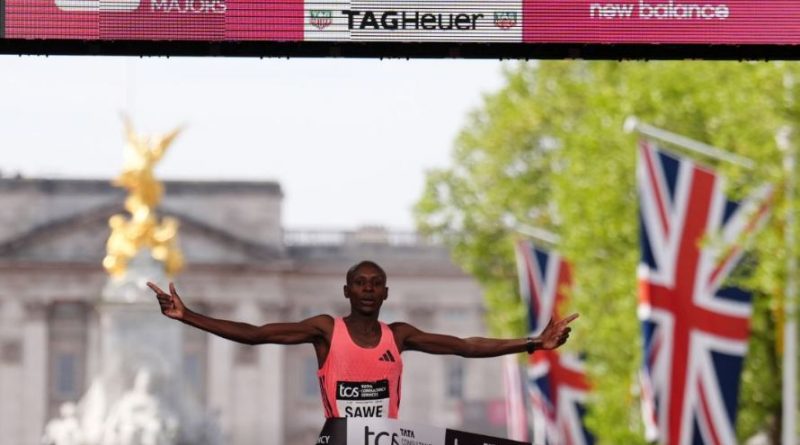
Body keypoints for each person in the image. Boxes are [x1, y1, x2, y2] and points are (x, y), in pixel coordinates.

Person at [147, 260, 578, 419]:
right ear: (347, 292)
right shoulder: (324, 329)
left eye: (376, 283)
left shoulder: (401, 335)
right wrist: (188, 317)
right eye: (360, 283)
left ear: (386, 293)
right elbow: (256, 335)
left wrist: (532, 344)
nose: (369, 289)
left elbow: (465, 345)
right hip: (340, 438)